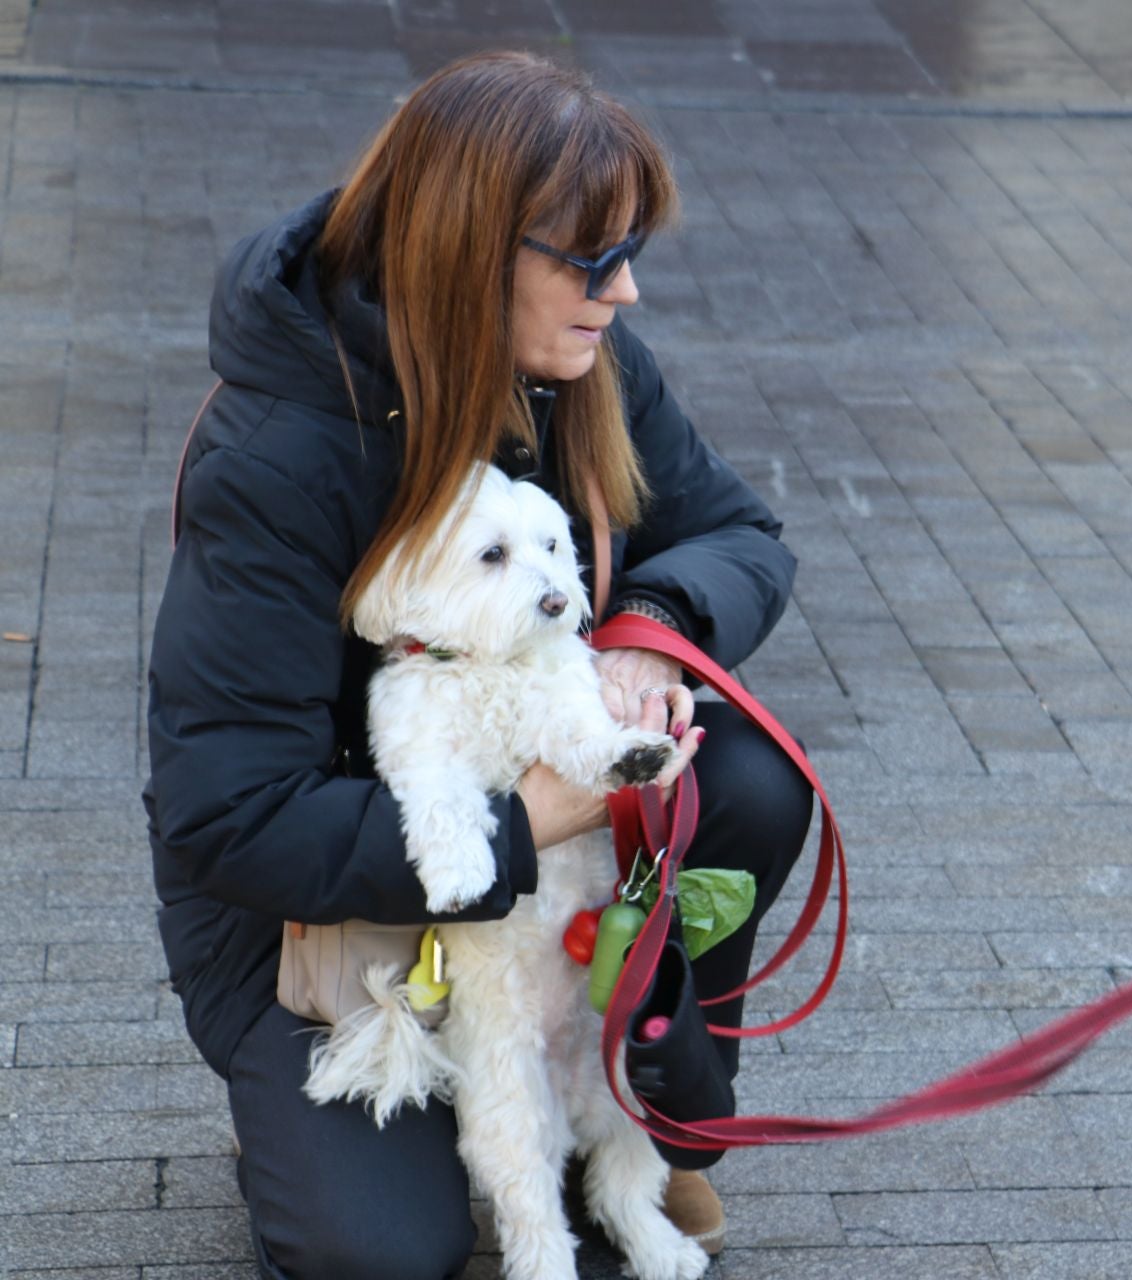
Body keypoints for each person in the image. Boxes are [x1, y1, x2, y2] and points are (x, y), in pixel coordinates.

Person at [143, 51, 812, 1279]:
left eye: (631, 254)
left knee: (752, 781)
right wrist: (528, 820)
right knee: (386, 1251)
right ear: (469, 248)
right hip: (322, 929)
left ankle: (654, 1113)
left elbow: (742, 538)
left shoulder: (579, 369)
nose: (626, 294)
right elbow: (224, 814)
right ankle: (326, 1131)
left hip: (530, 884)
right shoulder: (281, 450)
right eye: (593, 258)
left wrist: (638, 628)